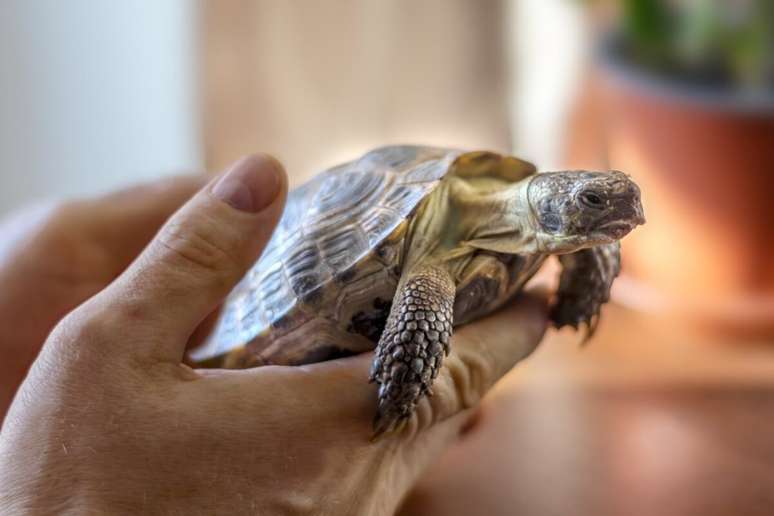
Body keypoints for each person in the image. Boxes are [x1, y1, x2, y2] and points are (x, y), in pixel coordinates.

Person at [0, 155, 547, 515]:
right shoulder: (430, 268)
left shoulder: (538, 223)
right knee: (425, 302)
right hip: (293, 301)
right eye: (590, 201)